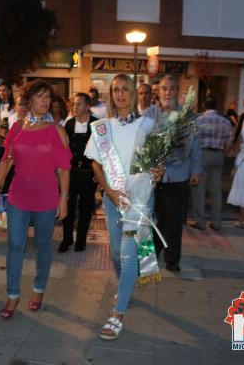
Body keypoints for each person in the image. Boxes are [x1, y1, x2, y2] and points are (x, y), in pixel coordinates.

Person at [85, 73, 159, 340]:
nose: (120, 94)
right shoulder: (103, 126)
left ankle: (117, 315)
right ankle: (125, 286)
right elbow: (95, 163)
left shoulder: (147, 125)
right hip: (112, 199)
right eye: (115, 90)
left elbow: (156, 162)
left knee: (128, 257)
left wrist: (158, 171)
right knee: (117, 254)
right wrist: (109, 191)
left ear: (134, 92)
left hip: (138, 201)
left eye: (125, 89)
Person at [0, 79, 71, 319]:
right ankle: (12, 295)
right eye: (40, 97)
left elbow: (64, 169)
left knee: (43, 246)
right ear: (28, 101)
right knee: (16, 245)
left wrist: (64, 198)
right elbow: (6, 161)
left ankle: (38, 289)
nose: (46, 101)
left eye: (49, 97)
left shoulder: (57, 130)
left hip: (47, 196)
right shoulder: (17, 129)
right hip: (18, 195)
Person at [153, 75, 201, 272]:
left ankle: (172, 259)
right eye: (164, 88)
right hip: (153, 177)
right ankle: (149, 255)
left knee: (174, 219)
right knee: (151, 218)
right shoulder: (150, 115)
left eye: (172, 88)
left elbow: (196, 146)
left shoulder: (189, 117)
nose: (168, 93)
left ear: (177, 91)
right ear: (158, 91)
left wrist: (196, 170)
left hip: (179, 175)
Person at [59, 93, 98, 253]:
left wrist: (100, 172)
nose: (75, 107)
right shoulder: (69, 124)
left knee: (85, 208)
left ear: (87, 106)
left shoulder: (97, 124)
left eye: (79, 104)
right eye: (73, 104)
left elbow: (103, 149)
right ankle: (67, 238)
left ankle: (81, 240)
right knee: (68, 205)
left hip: (90, 173)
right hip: (72, 172)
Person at [190, 96, 233, 231]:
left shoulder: (198, 120)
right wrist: (223, 154)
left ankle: (200, 222)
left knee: (199, 190)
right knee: (216, 191)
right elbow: (229, 142)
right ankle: (216, 222)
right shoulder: (225, 121)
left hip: (202, 154)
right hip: (218, 154)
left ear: (203, 106)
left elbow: (191, 140)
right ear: (217, 105)